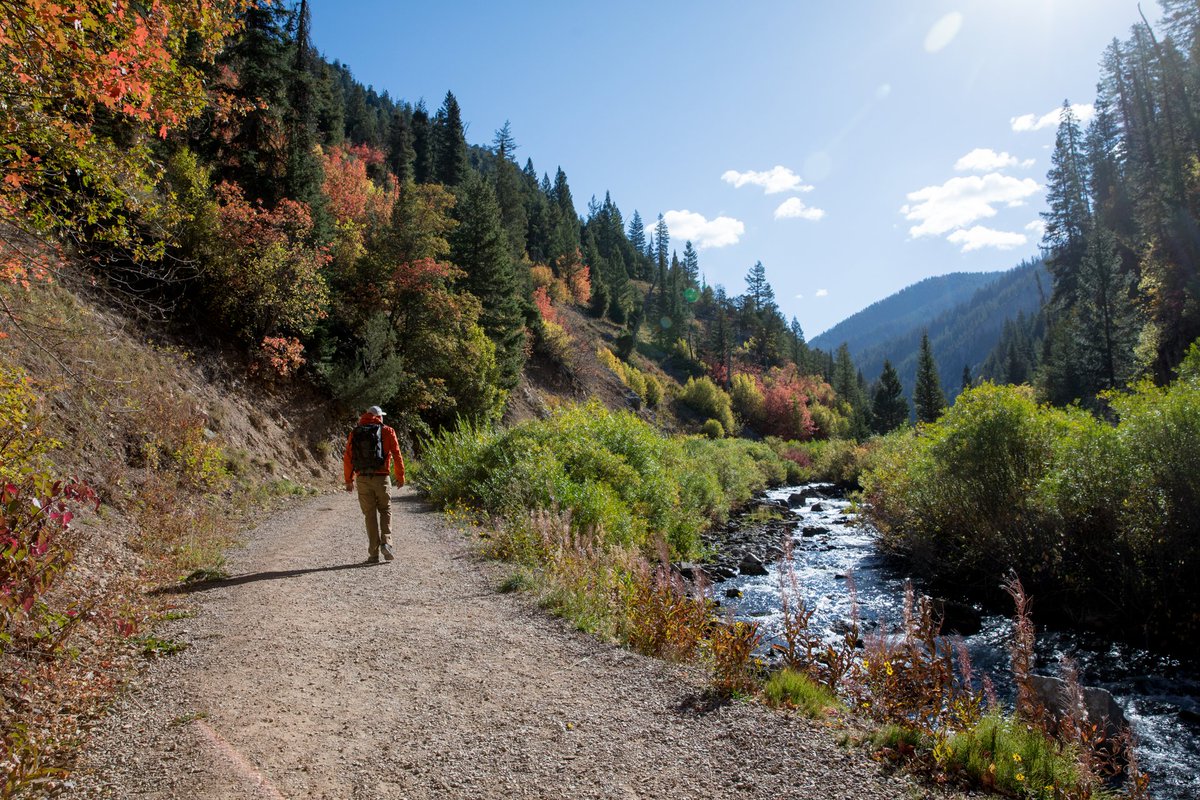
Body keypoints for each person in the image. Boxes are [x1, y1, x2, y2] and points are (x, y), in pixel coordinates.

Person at [343, 405, 405, 563]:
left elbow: (348, 457)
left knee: (369, 515)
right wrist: (400, 476)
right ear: (379, 417)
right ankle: (386, 543)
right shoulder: (388, 431)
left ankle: (373, 554)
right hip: (382, 477)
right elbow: (397, 454)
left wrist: (348, 480)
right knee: (385, 509)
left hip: (362, 478)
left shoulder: (355, 432)